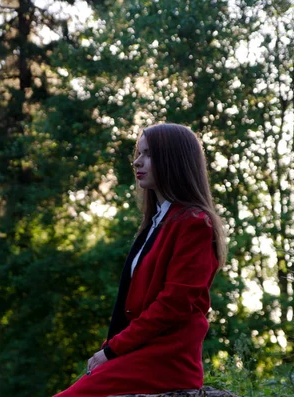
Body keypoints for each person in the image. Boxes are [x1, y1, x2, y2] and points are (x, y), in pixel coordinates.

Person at [54, 123, 225, 396]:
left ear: (173, 160)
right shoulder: (158, 221)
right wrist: (112, 347)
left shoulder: (194, 223)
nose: (136, 162)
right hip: (140, 350)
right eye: (138, 153)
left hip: (166, 359)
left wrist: (113, 349)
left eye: (148, 154)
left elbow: (173, 304)